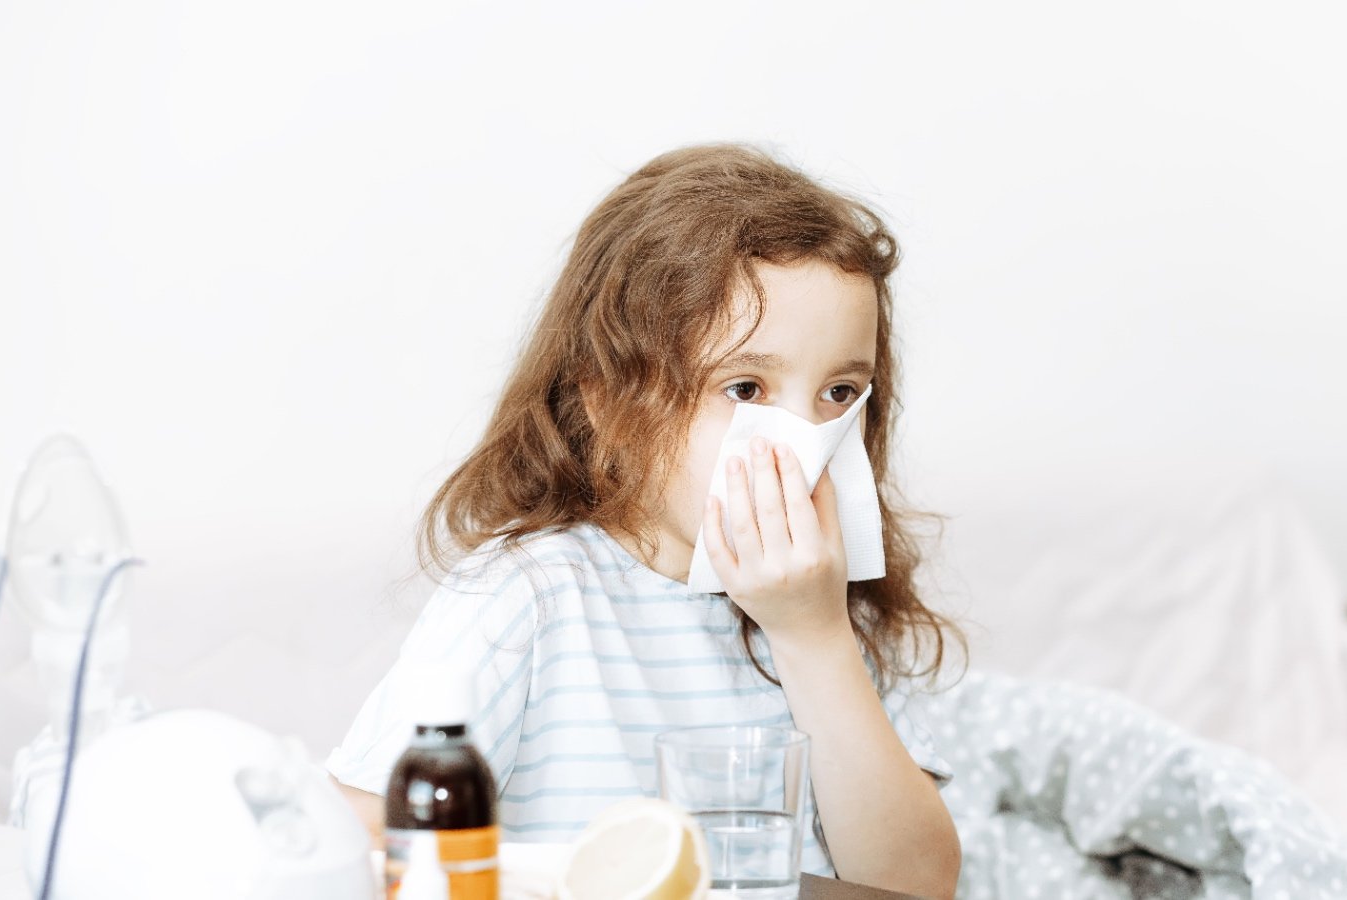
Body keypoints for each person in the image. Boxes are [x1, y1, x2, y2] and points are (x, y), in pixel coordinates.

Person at [326, 143, 964, 898]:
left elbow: (917, 885)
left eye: (838, 393)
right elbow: (359, 846)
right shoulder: (529, 595)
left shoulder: (834, 607)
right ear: (611, 407)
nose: (800, 442)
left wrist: (813, 634)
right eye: (748, 387)